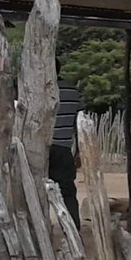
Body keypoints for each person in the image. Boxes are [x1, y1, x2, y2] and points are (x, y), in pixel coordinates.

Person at [50, 74, 83, 226]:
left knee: (36, 191)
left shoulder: (39, 90)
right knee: (68, 192)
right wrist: (79, 151)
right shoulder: (73, 91)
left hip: (41, 148)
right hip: (64, 148)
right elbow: (79, 122)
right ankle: (73, 229)